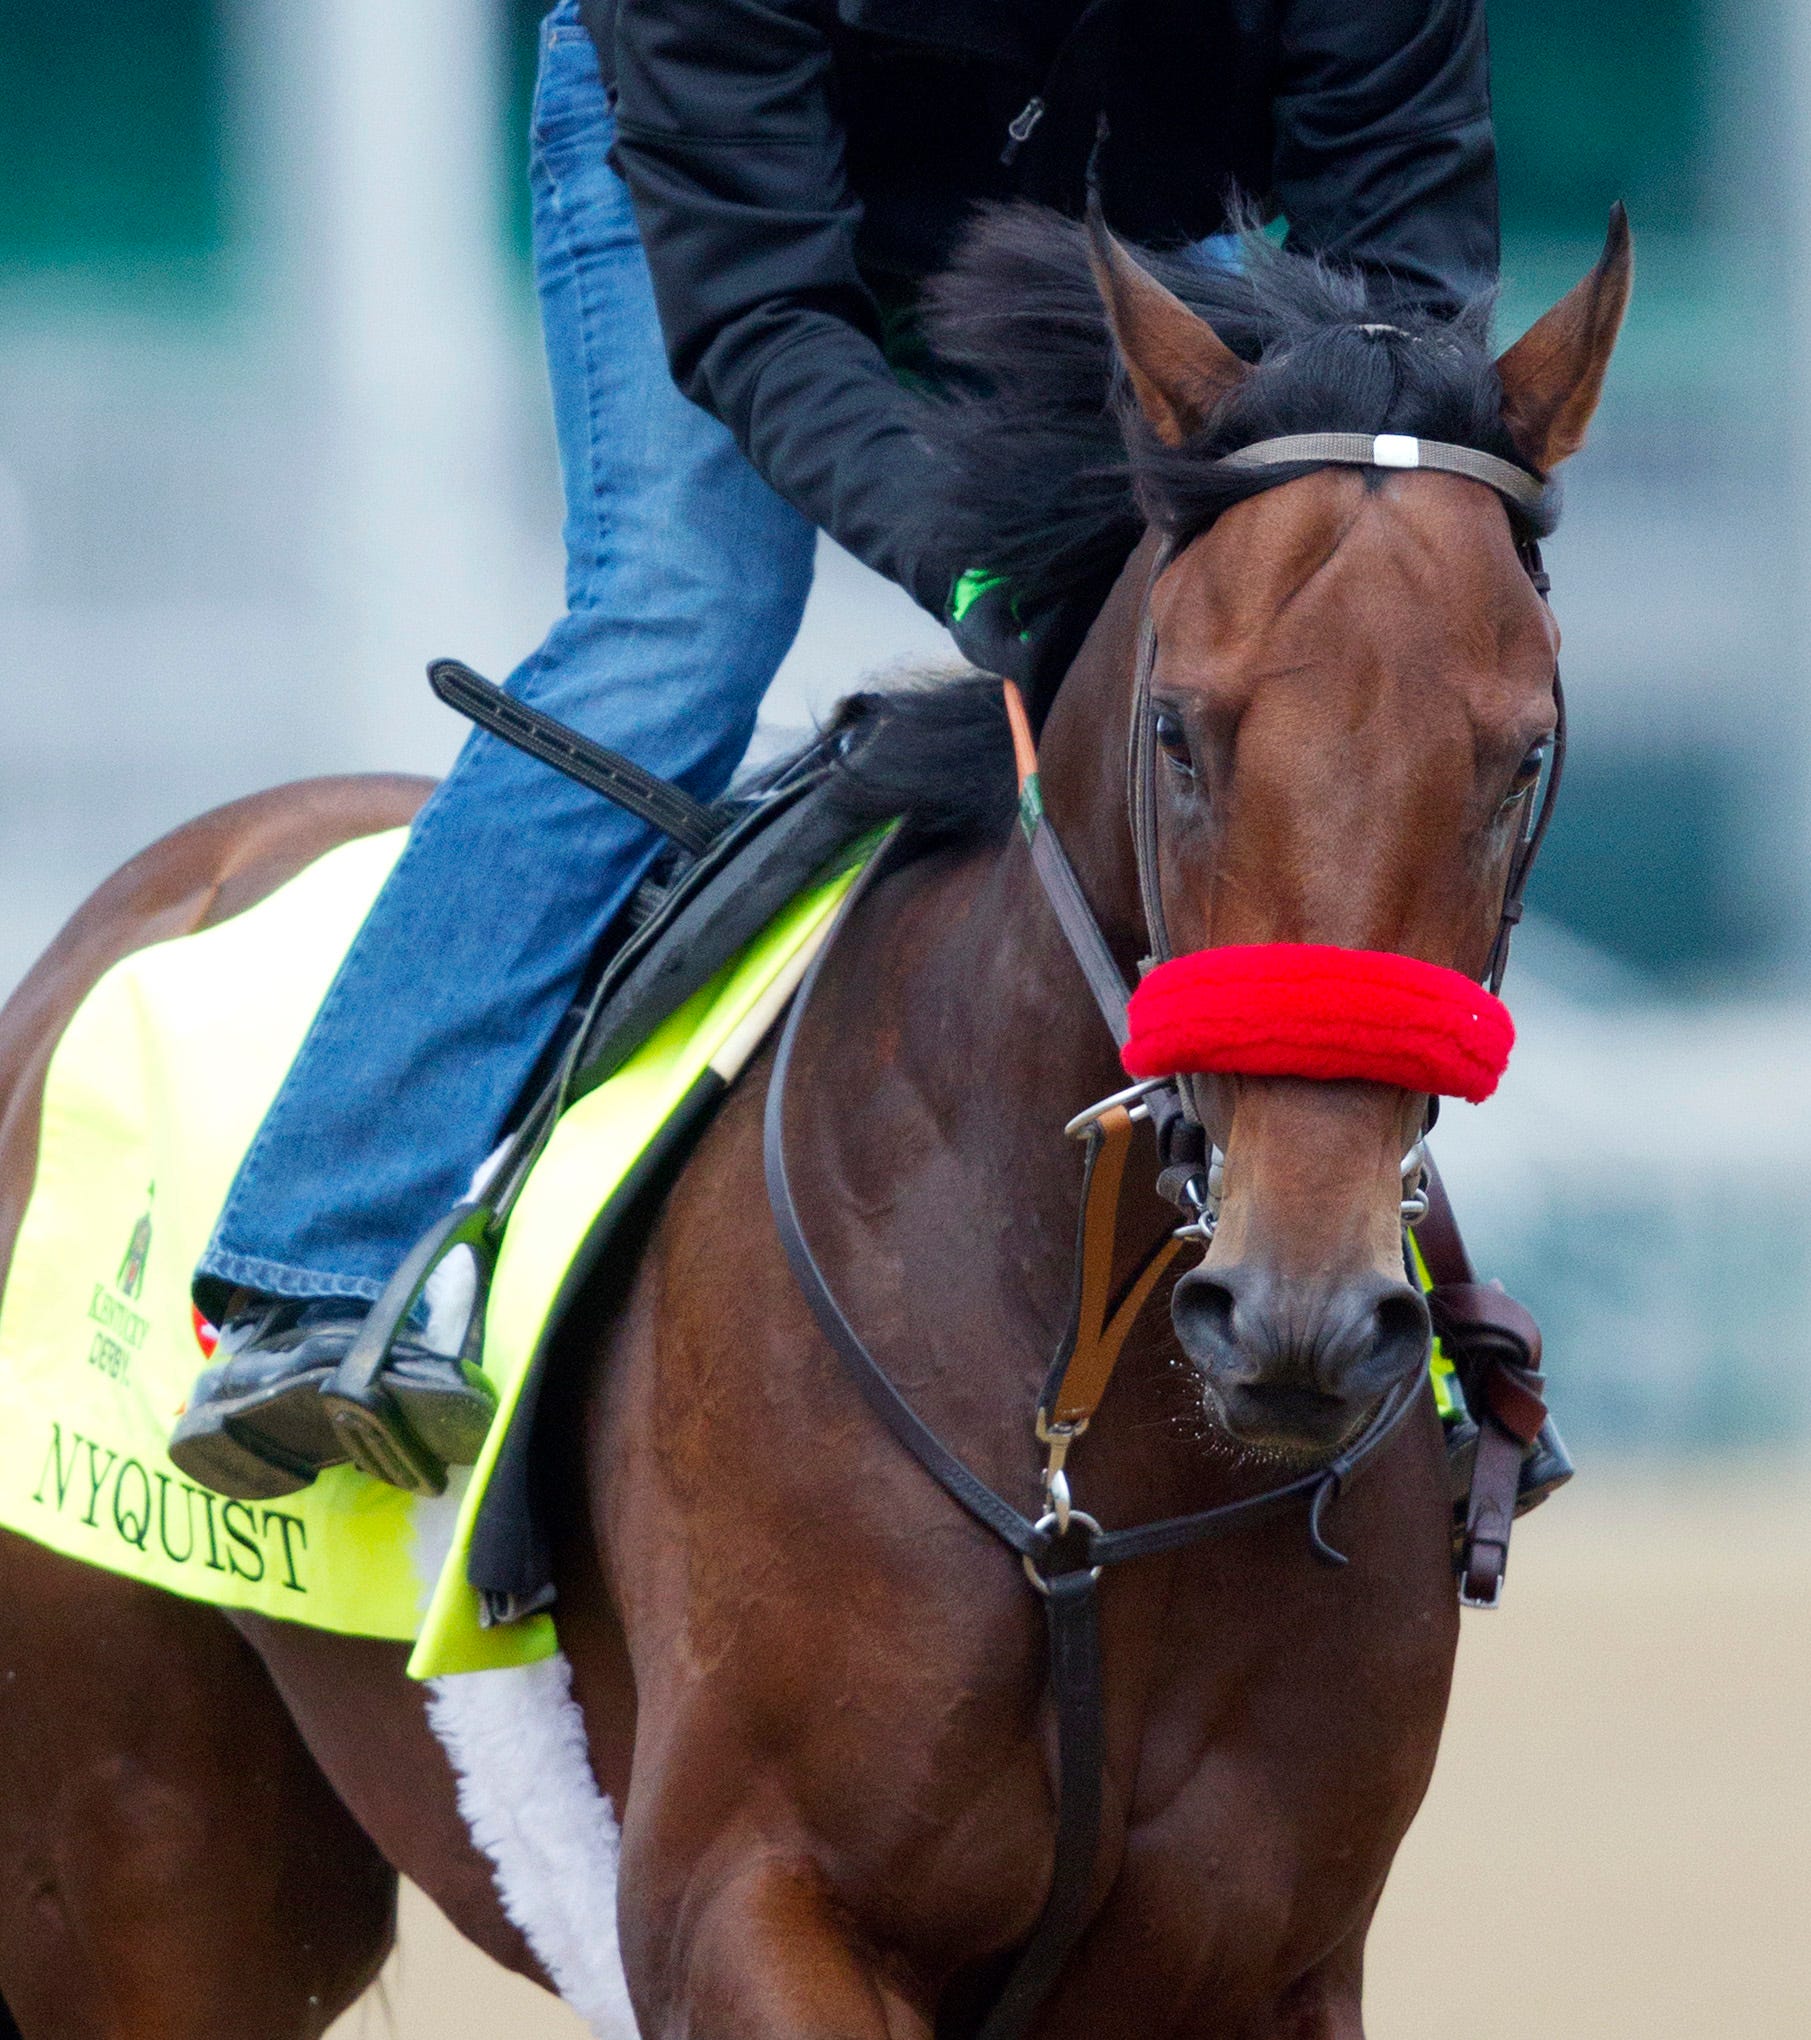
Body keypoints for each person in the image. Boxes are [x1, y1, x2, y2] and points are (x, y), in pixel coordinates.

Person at [170, 0, 1499, 1499]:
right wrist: (985, 562)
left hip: (1137, 204)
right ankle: (317, 1259)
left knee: (1311, 657)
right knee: (682, 629)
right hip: (732, 190)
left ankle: (1386, 1279)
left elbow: (1401, 286)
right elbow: (761, 310)